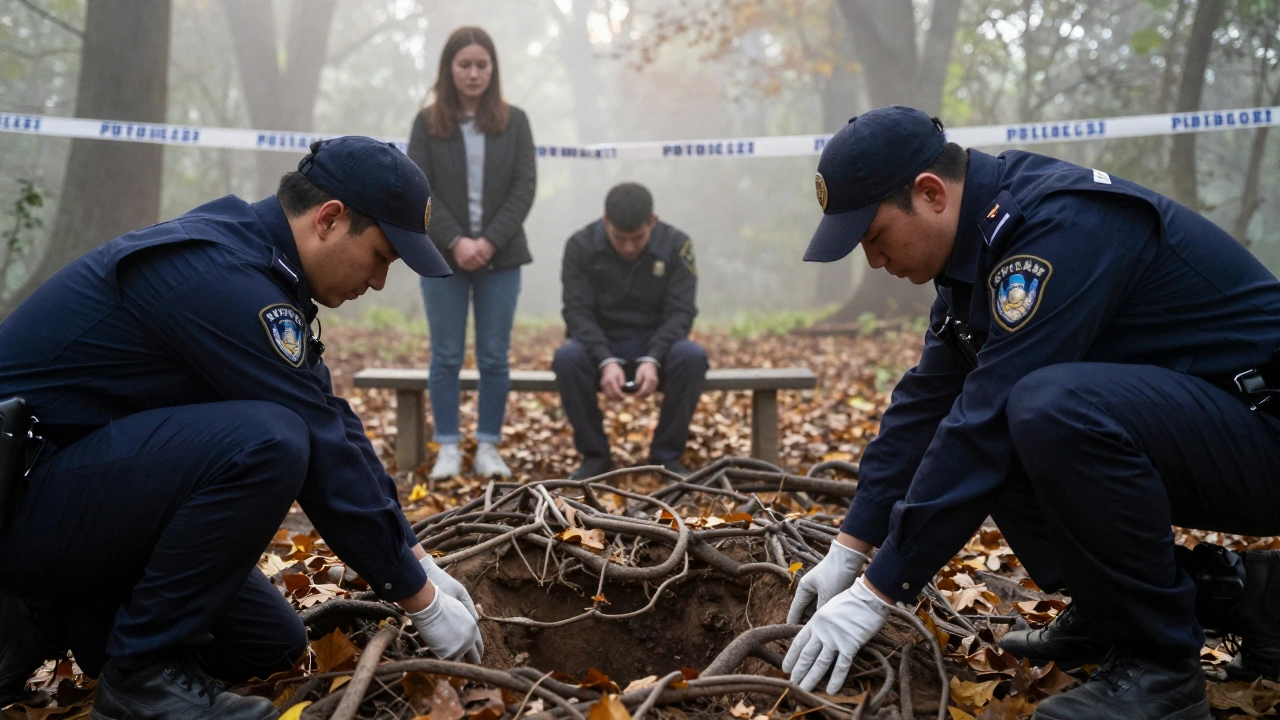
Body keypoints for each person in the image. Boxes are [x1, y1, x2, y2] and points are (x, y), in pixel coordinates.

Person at [782, 106, 1280, 720]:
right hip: (1211, 431)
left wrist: (877, 593)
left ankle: (1160, 672)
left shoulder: (1060, 227)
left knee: (1042, 408)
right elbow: (923, 410)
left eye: (875, 237)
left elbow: (986, 422)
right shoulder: (977, 256)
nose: (874, 261)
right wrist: (849, 552)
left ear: (931, 193)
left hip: (1263, 425)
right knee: (998, 415)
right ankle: (1221, 599)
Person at [0, 137, 485, 719]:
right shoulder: (220, 274)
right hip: (20, 494)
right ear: (330, 219)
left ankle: (52, 610)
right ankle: (139, 679)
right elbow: (315, 446)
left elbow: (332, 421)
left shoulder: (262, 268)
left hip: (69, 491)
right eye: (382, 255)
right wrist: (419, 599)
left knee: (268, 646)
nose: (380, 281)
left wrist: (412, 554)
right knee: (270, 440)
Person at [407, 26, 536, 481]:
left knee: (495, 356)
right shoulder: (427, 123)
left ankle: (487, 446)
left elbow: (524, 187)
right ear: (449, 69)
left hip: (502, 258)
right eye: (465, 65)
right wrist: (457, 240)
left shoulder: (515, 121)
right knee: (445, 355)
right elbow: (418, 187)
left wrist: (488, 241)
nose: (474, 73)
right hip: (441, 257)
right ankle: (446, 446)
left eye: (482, 65)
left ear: (493, 69)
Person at [552, 183, 708, 480]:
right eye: (619, 238)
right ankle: (595, 456)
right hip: (600, 342)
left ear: (653, 221)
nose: (628, 247)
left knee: (693, 356)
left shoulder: (677, 246)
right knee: (567, 358)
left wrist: (654, 357)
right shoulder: (579, 247)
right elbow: (576, 312)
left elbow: (681, 312)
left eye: (637, 238)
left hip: (658, 343)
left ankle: (666, 455)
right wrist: (604, 359)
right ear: (605, 222)